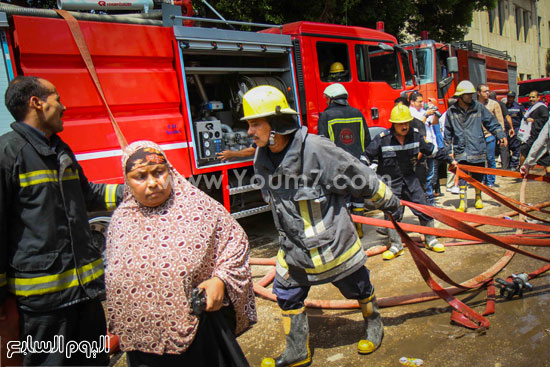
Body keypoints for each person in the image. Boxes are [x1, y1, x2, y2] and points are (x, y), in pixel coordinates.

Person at [242, 85, 401, 367]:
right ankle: (297, 352)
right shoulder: (262, 156)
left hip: (333, 248)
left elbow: (360, 177)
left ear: (276, 124)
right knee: (287, 294)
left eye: (255, 123)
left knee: (358, 286)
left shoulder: (317, 150)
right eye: (249, 125)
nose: (250, 131)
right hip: (295, 250)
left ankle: (374, 323)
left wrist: (392, 205)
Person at [0, 76, 123, 366]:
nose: (64, 106)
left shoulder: (58, 149)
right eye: (57, 97)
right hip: (44, 307)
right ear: (37, 103)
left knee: (94, 362)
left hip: (86, 297)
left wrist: (129, 192)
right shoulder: (9, 154)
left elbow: (87, 194)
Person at [105, 140, 257, 366]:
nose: (153, 183)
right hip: (144, 348)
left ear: (170, 171)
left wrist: (221, 280)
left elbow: (235, 244)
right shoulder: (121, 221)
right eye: (141, 177)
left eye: (159, 172)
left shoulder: (199, 208)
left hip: (199, 337)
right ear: (127, 182)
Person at [362, 104, 455, 260]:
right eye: (400, 123)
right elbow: (365, 156)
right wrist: (363, 171)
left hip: (411, 180)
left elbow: (432, 151)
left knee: (424, 208)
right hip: (391, 182)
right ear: (393, 124)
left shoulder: (416, 136)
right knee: (392, 214)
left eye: (406, 123)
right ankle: (396, 246)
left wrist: (450, 159)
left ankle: (430, 240)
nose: (404, 126)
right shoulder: (383, 139)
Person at [443, 80, 507, 212]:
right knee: (462, 177)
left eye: (471, 94)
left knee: (478, 176)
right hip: (461, 149)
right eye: (468, 94)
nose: (471, 96)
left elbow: (491, 122)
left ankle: (478, 198)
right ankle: (462, 202)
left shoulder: (479, 107)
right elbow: (447, 133)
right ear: (460, 96)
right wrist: (448, 151)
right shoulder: (451, 112)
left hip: (477, 147)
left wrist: (501, 134)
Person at [318, 83, 371, 237]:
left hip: (338, 164)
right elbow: (366, 139)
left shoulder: (326, 116)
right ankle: (360, 227)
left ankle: (348, 230)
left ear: (330, 99)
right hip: (358, 162)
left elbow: (323, 142)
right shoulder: (357, 113)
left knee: (343, 198)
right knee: (358, 195)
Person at [409, 91, 442, 204]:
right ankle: (423, 202)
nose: (422, 104)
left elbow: (433, 123)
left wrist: (435, 114)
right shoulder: (410, 113)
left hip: (429, 146)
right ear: (412, 102)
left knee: (430, 175)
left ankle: (430, 202)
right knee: (421, 176)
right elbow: (418, 125)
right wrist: (426, 114)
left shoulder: (423, 111)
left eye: (422, 101)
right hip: (419, 149)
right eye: (419, 101)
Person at [476, 84, 505, 188]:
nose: (488, 93)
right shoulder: (474, 105)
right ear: (478, 93)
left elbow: (500, 120)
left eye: (488, 91)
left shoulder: (494, 104)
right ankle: (482, 180)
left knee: (490, 158)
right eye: (485, 91)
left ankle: (491, 181)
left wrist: (501, 136)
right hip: (478, 137)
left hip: (490, 135)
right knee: (481, 159)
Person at [519, 90, 550, 174]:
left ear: (538, 98)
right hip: (532, 136)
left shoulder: (542, 108)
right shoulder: (531, 108)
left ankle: (522, 170)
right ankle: (523, 170)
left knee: (543, 156)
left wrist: (534, 121)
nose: (531, 99)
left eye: (533, 97)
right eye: (530, 97)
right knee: (524, 151)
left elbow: (545, 120)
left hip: (538, 135)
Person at [489, 91, 514, 169]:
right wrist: (511, 127)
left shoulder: (486, 104)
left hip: (490, 130)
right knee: (503, 148)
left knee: (490, 149)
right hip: (500, 129)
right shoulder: (501, 104)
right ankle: (504, 169)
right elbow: (507, 116)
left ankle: (491, 168)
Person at [505, 91, 525, 170]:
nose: (509, 99)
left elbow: (523, 119)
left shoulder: (519, 107)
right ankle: (508, 164)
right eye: (508, 97)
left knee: (516, 148)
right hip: (506, 130)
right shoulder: (504, 106)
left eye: (511, 97)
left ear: (514, 98)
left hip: (516, 130)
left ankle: (514, 165)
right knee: (506, 148)